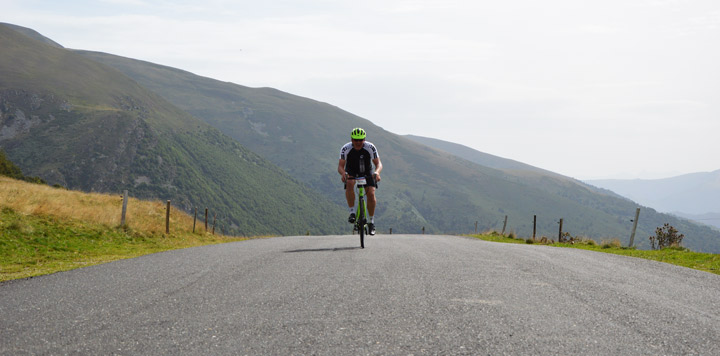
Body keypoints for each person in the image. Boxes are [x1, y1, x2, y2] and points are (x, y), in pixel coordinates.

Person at [338, 127, 383, 235]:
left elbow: (378, 164)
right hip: (351, 171)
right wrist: (343, 173)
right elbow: (340, 166)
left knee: (371, 194)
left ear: (364, 139)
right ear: (351, 139)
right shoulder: (346, 148)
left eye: (361, 140)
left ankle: (371, 222)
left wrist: (377, 172)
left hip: (367, 172)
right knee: (349, 183)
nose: (358, 142)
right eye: (355, 140)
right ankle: (352, 212)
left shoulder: (370, 147)